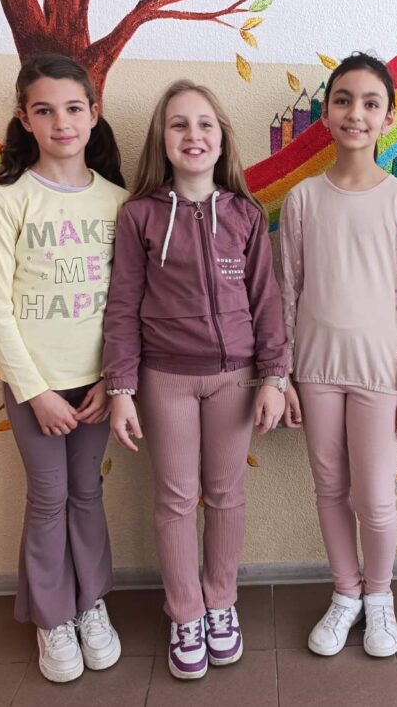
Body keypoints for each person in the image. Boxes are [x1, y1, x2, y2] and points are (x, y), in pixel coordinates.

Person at [103, 80, 288, 680]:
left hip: (235, 379)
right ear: (162, 138)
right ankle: (185, 612)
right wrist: (120, 388)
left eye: (205, 124)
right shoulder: (138, 217)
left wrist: (274, 377)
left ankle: (220, 603)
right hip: (165, 379)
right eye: (179, 124)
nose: (193, 135)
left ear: (222, 138)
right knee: (177, 498)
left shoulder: (245, 215)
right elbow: (122, 306)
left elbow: (267, 302)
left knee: (227, 493)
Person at [279, 53, 397, 658]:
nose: (356, 113)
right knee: (329, 489)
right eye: (343, 100)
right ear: (325, 113)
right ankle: (345, 592)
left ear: (388, 117)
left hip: (379, 375)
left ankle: (379, 595)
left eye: (371, 103)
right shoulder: (302, 199)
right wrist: (282, 375)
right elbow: (286, 289)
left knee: (374, 498)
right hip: (315, 371)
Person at [0, 53, 126, 683]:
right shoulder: (7, 200)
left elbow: (128, 304)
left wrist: (111, 381)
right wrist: (35, 391)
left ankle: (91, 604)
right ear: (24, 119)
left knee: (87, 492)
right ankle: (53, 617)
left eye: (73, 108)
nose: (61, 122)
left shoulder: (119, 201)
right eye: (45, 110)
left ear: (93, 113)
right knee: (48, 496)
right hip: (33, 387)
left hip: (98, 386)